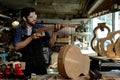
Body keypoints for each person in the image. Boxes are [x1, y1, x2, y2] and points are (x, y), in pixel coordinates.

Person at [13, 7, 62, 77]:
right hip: (26, 65)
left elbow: (50, 44)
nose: (34, 19)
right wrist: (31, 37)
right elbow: (17, 46)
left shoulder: (40, 28)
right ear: (24, 18)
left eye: (35, 16)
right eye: (31, 17)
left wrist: (54, 33)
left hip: (40, 64)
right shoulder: (19, 29)